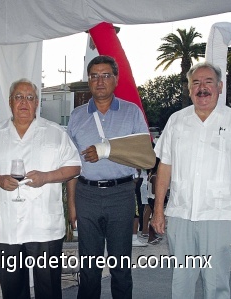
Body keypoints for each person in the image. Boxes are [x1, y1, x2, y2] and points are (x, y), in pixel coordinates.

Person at [151, 62, 231, 299]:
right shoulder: (176, 121)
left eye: (208, 82)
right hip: (181, 215)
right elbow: (164, 167)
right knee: (181, 282)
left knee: (216, 285)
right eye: (196, 83)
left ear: (220, 87)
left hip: (220, 216)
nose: (202, 88)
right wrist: (158, 210)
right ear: (188, 88)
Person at [0, 78, 81, 299]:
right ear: (10, 102)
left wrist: (47, 177)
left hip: (44, 227)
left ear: (37, 102)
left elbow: (74, 166)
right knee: (12, 291)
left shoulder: (54, 132)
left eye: (30, 98)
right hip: (6, 227)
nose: (24, 102)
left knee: (48, 290)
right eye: (19, 97)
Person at [67, 55, 155, 299]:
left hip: (121, 194)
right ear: (88, 81)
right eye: (94, 76)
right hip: (87, 195)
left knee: (121, 267)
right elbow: (72, 166)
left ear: (116, 79)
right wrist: (72, 205)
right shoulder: (76, 116)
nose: (100, 81)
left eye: (106, 75)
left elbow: (145, 157)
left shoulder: (131, 112)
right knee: (88, 268)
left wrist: (107, 152)